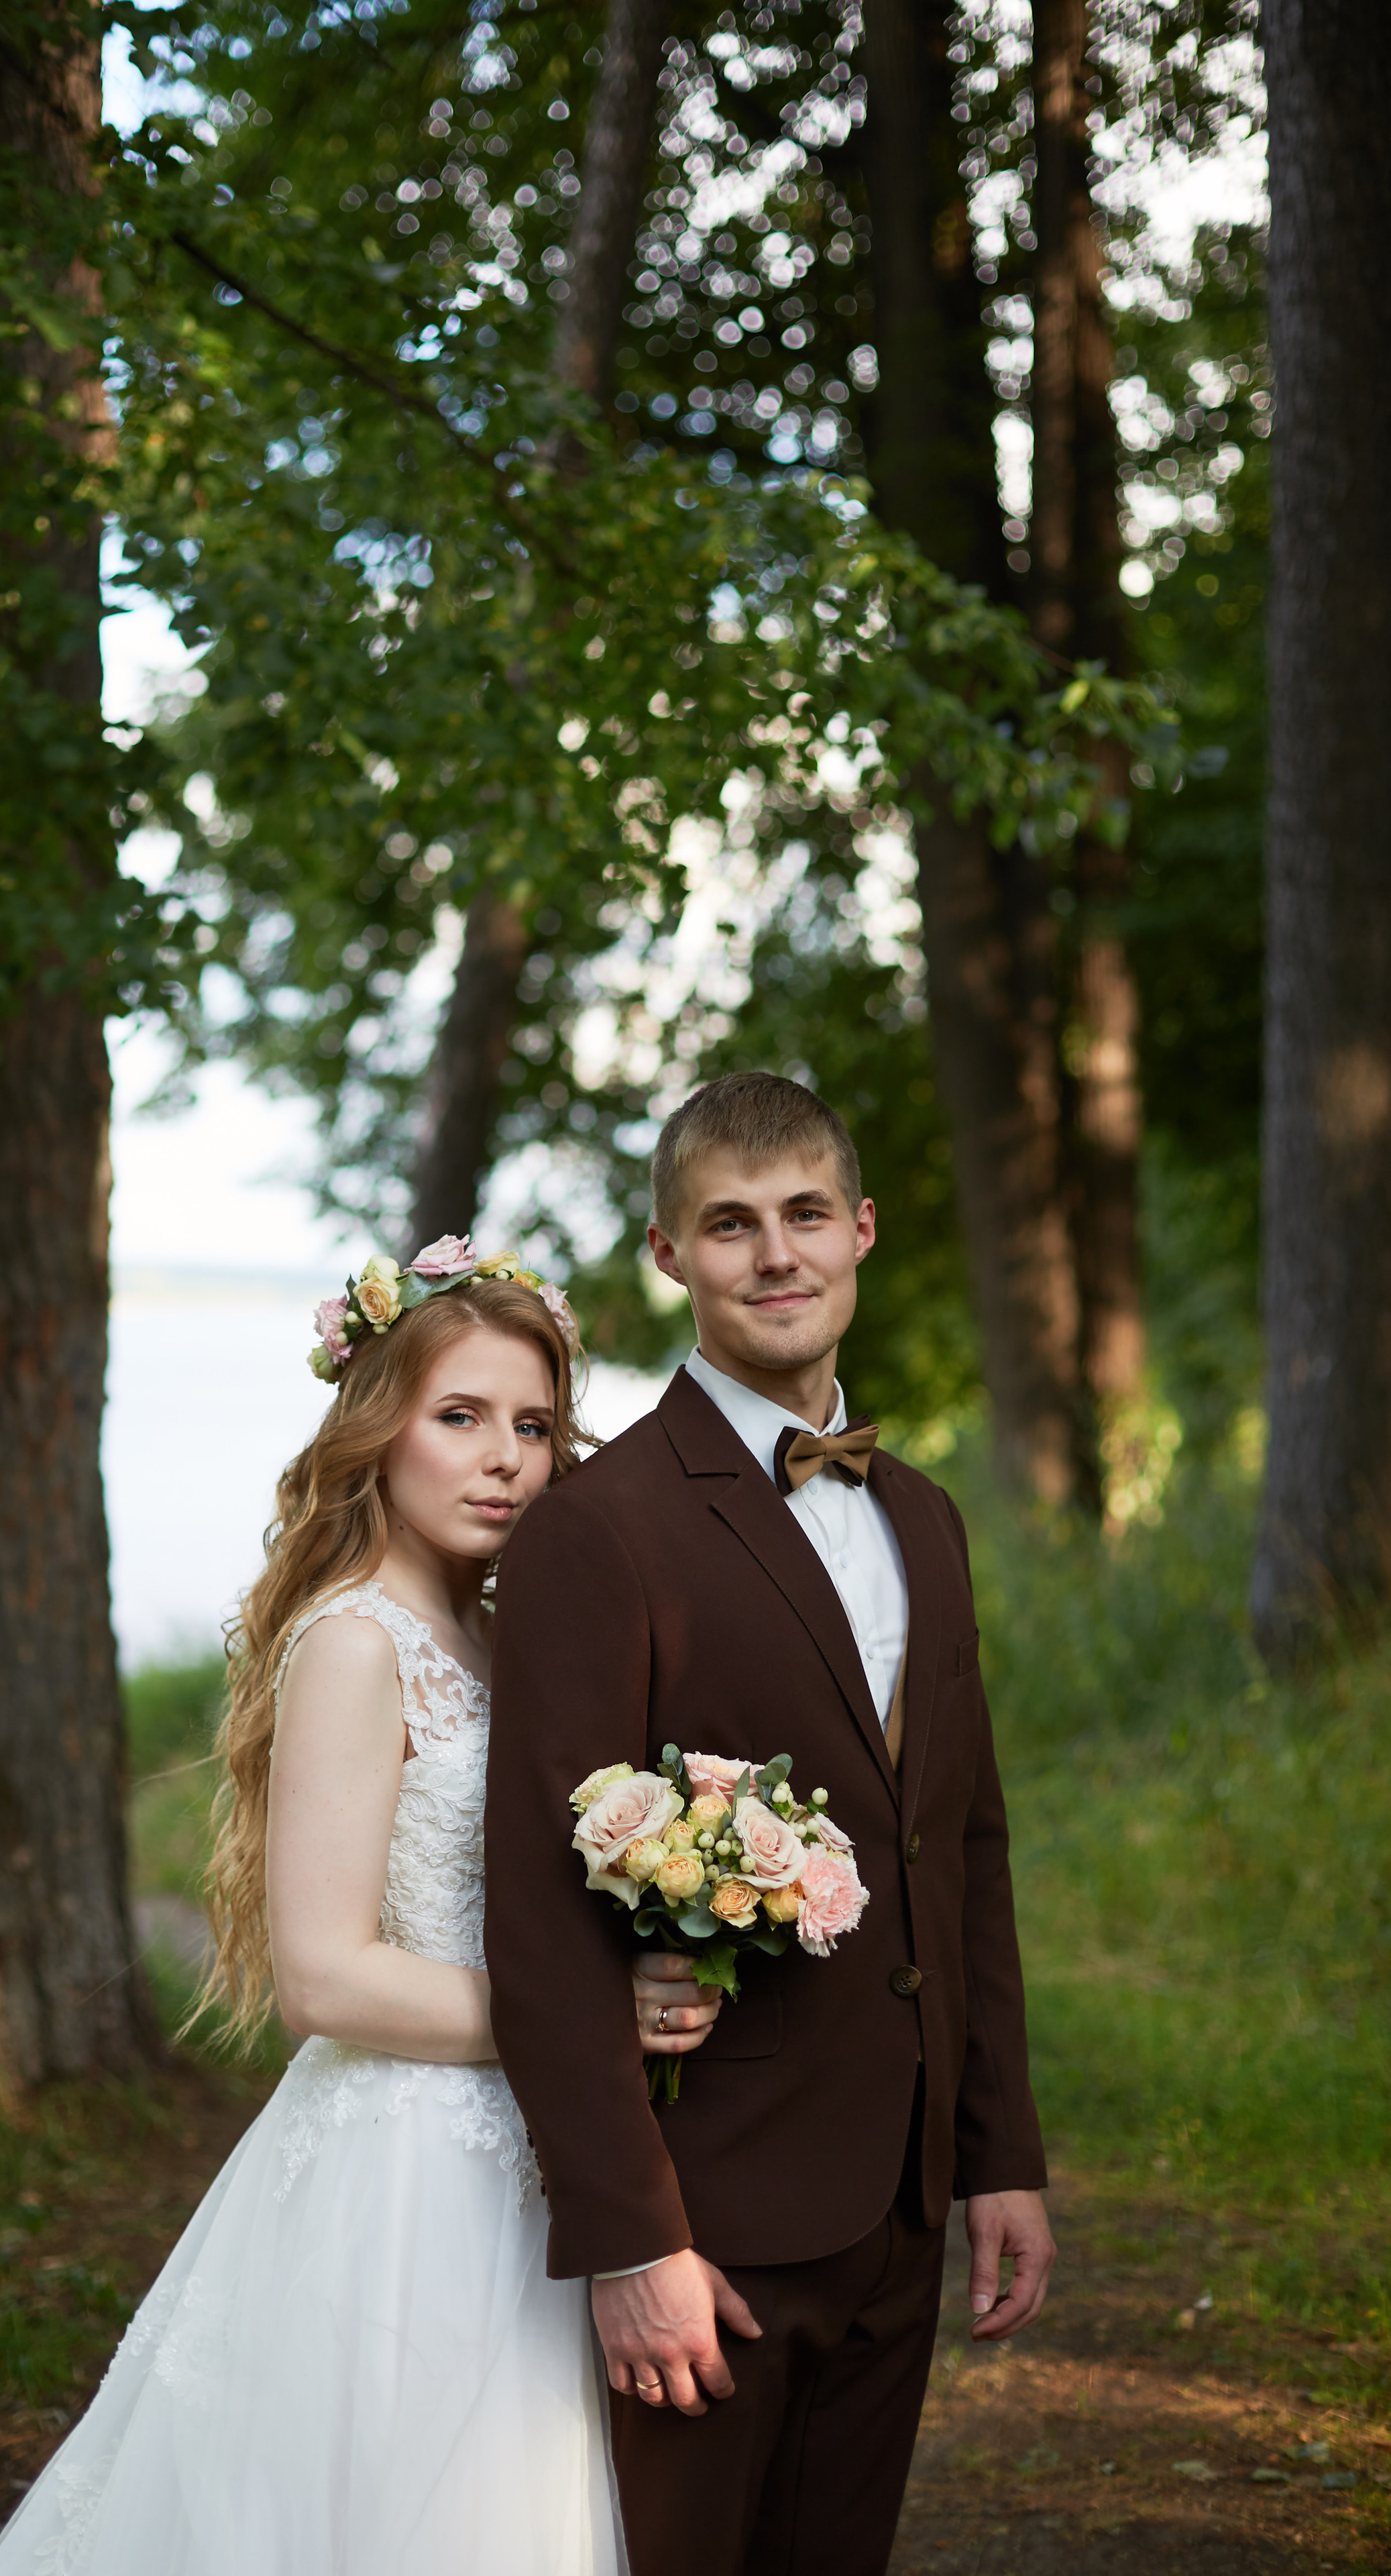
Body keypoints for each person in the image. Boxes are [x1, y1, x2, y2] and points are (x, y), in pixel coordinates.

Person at [0, 1242, 709, 2576]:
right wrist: (589, 2017)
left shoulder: (495, 1636)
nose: (503, 1460)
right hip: (410, 2176)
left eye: (533, 1426)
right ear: (377, 1428)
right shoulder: (354, 1642)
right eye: (459, 1418)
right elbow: (322, 1978)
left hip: (536, 2147)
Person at [485, 1071, 1056, 2576]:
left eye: (804, 1214)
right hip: (711, 2207)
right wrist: (628, 2236)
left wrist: (996, 2153)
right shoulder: (596, 1529)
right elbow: (540, 1914)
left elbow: (961, 1847)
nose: (775, 1254)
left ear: (859, 1229)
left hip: (900, 2192)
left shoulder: (923, 1518)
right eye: (729, 1226)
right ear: (669, 1256)